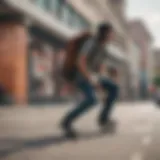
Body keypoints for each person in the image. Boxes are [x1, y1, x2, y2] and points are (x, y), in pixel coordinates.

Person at [61, 23, 119, 138]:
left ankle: (103, 119)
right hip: (82, 76)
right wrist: (91, 79)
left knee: (114, 87)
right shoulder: (91, 42)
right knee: (92, 100)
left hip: (93, 76)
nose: (113, 36)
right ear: (106, 33)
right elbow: (80, 61)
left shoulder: (104, 48)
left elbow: (100, 67)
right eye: (112, 33)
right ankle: (66, 121)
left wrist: (102, 81)